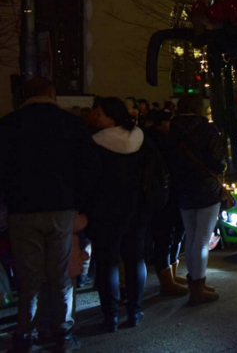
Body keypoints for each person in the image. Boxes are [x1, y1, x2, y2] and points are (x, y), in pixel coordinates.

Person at [0, 77, 94, 353]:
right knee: (60, 275)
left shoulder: (7, 125)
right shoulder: (71, 124)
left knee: (29, 278)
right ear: (52, 94)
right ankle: (62, 334)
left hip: (22, 210)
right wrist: (80, 206)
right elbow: (86, 170)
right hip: (61, 208)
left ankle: (24, 336)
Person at [87, 97, 165, 332]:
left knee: (107, 264)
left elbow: (88, 181)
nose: (94, 116)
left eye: (98, 113)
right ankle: (135, 311)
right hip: (137, 210)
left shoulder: (94, 143)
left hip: (105, 212)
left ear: (110, 116)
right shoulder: (141, 139)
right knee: (134, 260)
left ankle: (110, 317)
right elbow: (156, 175)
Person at [167, 93, 225, 305]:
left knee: (190, 237)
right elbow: (218, 159)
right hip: (206, 188)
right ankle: (198, 287)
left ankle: (195, 282)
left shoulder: (172, 129)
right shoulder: (207, 129)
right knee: (202, 240)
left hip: (183, 188)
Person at [143, 109, 188, 297]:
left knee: (169, 236)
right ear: (161, 123)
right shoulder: (162, 141)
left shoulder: (150, 140)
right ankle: (167, 280)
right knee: (166, 238)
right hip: (166, 195)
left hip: (164, 195)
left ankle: (170, 275)